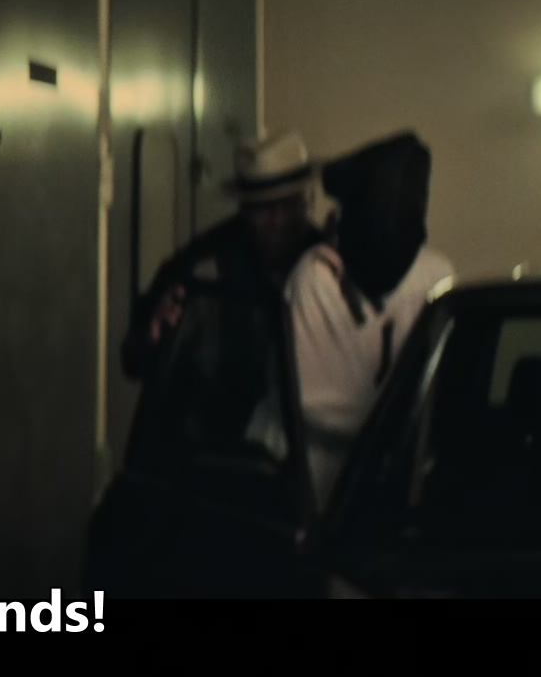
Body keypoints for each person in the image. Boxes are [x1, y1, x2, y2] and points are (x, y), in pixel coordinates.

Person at [284, 131, 453, 504]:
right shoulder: (315, 279)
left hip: (406, 486)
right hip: (327, 486)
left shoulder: (434, 277)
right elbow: (315, 401)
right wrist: (402, 421)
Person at [121, 131, 324, 405]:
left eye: (288, 205)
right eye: (264, 208)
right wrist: (152, 338)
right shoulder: (201, 265)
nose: (277, 221)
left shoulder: (328, 262)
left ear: (305, 202)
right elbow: (133, 360)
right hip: (219, 423)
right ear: (245, 210)